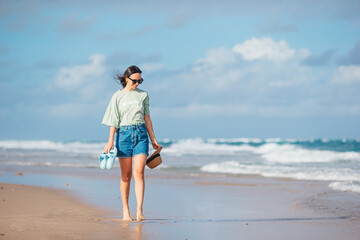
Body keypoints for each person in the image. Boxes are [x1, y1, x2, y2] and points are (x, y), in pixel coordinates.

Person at [102, 65, 160, 221]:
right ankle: (125, 210)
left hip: (141, 135)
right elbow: (113, 120)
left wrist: (153, 139)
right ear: (127, 79)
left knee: (139, 173)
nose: (138, 84)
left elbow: (147, 118)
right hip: (123, 136)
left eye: (140, 80)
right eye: (135, 81)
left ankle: (139, 211)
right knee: (126, 176)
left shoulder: (143, 95)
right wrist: (110, 141)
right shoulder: (117, 96)